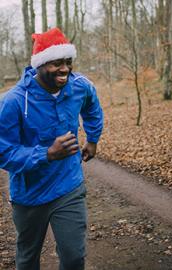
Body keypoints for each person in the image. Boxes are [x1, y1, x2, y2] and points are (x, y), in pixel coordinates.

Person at [0, 28, 104, 270]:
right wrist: (46, 154)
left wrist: (93, 138)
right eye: (57, 63)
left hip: (69, 185)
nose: (65, 69)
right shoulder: (13, 101)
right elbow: (3, 151)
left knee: (73, 258)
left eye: (68, 62)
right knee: (27, 259)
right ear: (40, 65)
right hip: (29, 195)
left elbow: (92, 106)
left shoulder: (79, 86)